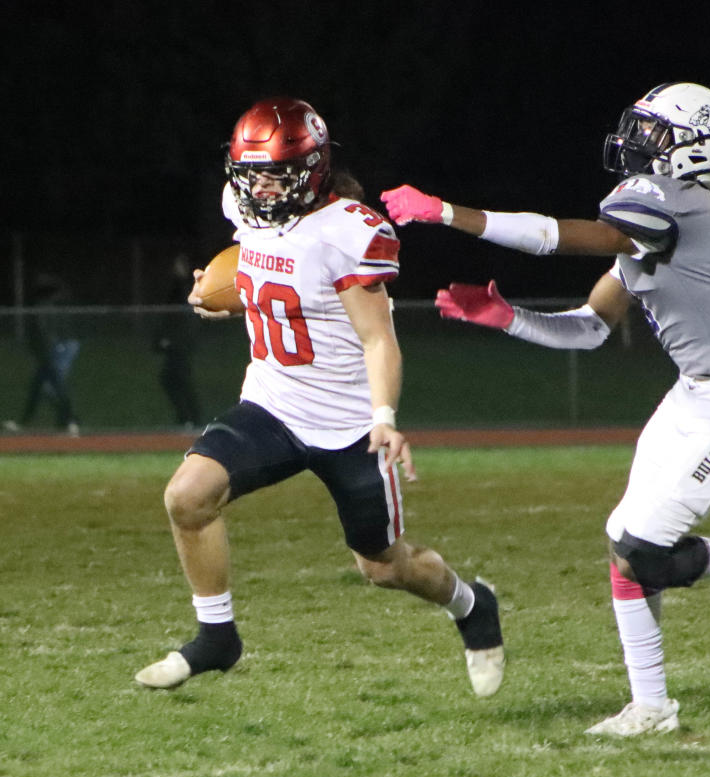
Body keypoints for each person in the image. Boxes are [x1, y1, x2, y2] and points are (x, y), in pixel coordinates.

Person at [380, 82, 710, 735]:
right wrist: (507, 318)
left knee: (643, 545)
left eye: (658, 133)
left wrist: (448, 213)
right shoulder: (650, 227)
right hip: (698, 390)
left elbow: (561, 237)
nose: (641, 142)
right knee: (625, 544)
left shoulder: (676, 203)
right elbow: (589, 328)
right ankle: (652, 706)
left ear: (696, 151)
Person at [135, 97, 504, 698]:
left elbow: (378, 338)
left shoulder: (349, 231)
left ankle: (471, 604)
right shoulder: (245, 206)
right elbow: (266, 276)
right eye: (249, 170)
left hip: (349, 426)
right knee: (187, 497)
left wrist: (384, 417)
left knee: (385, 568)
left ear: (311, 169)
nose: (258, 185)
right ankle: (216, 637)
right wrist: (220, 293)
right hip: (273, 405)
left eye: (274, 173)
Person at [4, 274, 80, 436]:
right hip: (46, 357)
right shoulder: (44, 308)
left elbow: (46, 334)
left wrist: (51, 352)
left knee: (55, 389)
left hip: (50, 356)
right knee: (39, 390)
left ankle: (71, 422)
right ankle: (25, 423)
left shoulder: (43, 310)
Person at [153, 253, 201, 429]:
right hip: (176, 344)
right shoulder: (176, 287)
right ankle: (188, 418)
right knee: (171, 380)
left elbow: (182, 316)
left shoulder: (185, 287)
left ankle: (191, 419)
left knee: (179, 380)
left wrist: (174, 340)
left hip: (181, 345)